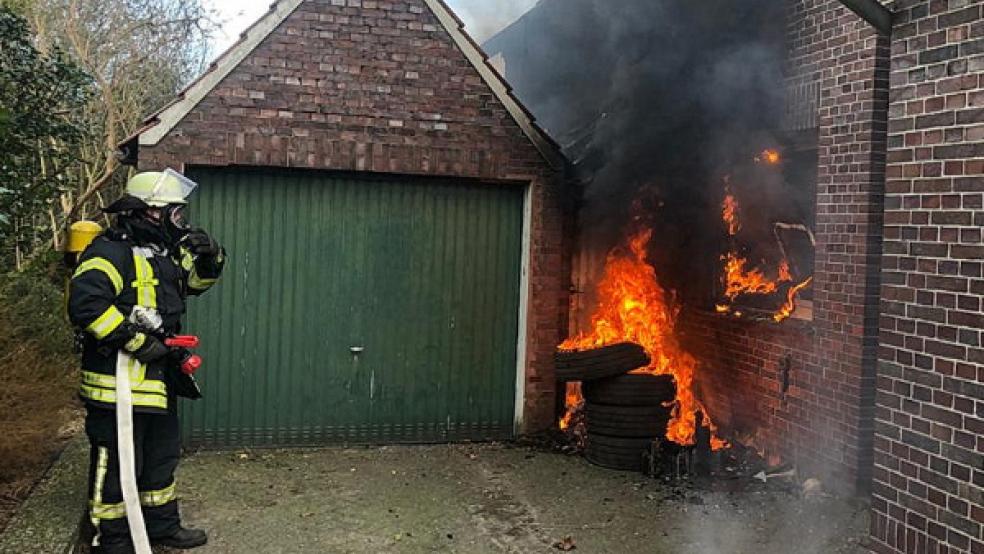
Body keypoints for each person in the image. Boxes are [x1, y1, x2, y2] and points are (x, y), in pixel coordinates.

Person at [68, 169, 224, 553]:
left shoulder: (163, 253)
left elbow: (193, 286)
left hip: (156, 380)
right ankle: (113, 539)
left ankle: (162, 527)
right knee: (118, 464)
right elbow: (87, 307)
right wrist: (138, 341)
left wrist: (211, 256)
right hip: (116, 383)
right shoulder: (108, 252)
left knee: (160, 456)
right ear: (148, 212)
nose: (179, 221)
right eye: (173, 212)